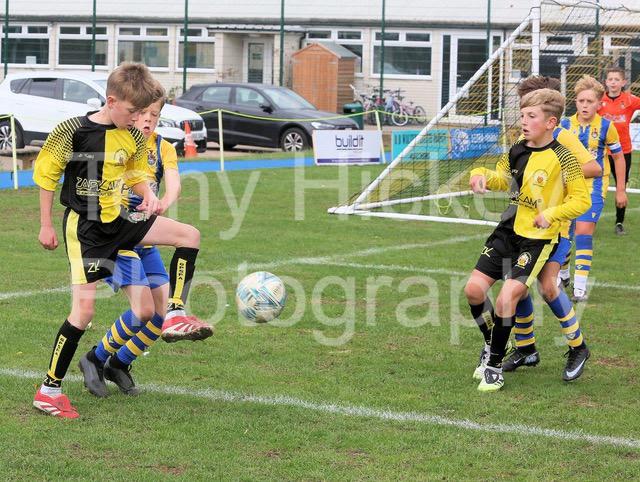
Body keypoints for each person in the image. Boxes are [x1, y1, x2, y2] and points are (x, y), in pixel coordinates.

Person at [32, 63, 203, 419]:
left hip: (121, 222)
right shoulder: (72, 131)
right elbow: (46, 177)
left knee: (189, 236)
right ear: (111, 102)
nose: (138, 119)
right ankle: (49, 391)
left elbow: (134, 173)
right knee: (83, 313)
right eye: (132, 111)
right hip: (86, 231)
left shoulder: (133, 136)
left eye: (143, 113)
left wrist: (149, 196)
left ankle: (174, 312)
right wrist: (45, 225)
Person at [78, 83, 214, 398]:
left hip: (145, 237)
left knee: (160, 314)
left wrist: (164, 201)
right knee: (142, 311)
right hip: (116, 238)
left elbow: (175, 182)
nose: (149, 119)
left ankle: (119, 363)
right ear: (132, 111)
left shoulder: (163, 148)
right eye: (143, 113)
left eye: (155, 114)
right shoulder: (116, 141)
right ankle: (94, 359)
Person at [472, 76, 601, 377]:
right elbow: (506, 176)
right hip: (521, 223)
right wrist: (483, 174)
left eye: (530, 112)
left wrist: (552, 178)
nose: (524, 119)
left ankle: (577, 346)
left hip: (554, 226)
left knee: (547, 286)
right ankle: (526, 347)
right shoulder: (523, 141)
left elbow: (594, 168)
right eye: (522, 112)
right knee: (516, 286)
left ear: (548, 115)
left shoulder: (562, 139)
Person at [561, 76, 627, 301]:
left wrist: (620, 190)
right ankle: (563, 273)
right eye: (581, 101)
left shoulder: (607, 127)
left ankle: (579, 287)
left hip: (594, 187)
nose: (585, 105)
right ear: (576, 102)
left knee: (583, 232)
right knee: (563, 233)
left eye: (590, 101)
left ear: (599, 104)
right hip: (567, 186)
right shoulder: (564, 125)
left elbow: (618, 158)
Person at [598, 66, 640, 235]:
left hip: (623, 152)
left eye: (617, 79)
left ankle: (619, 222)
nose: (613, 82)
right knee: (593, 185)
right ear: (606, 82)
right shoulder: (599, 100)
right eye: (610, 79)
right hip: (601, 151)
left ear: (623, 82)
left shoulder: (630, 100)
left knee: (621, 187)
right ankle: (586, 218)